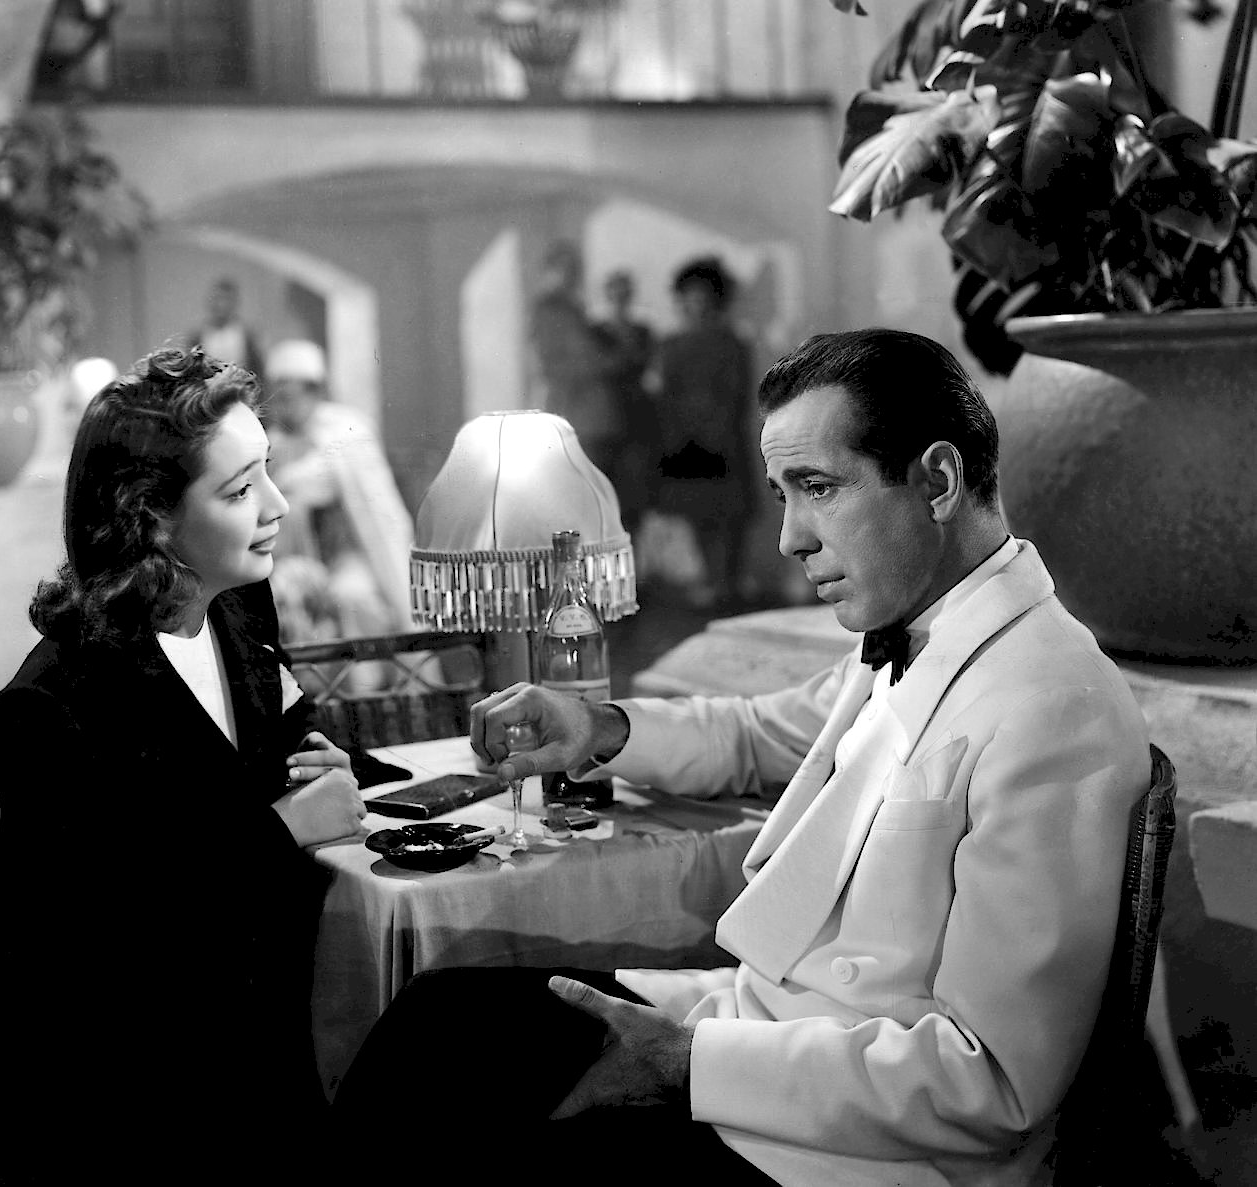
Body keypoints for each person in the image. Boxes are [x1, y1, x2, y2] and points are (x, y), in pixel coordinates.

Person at [333, 328, 1150, 1186]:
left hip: (849, 1149)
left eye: (818, 488)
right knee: (440, 1016)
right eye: (782, 494)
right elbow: (761, 733)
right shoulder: (922, 630)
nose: (790, 538)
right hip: (756, 1033)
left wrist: (689, 1063)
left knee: (476, 1144)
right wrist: (597, 726)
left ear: (938, 481)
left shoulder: (1052, 705)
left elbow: (991, 1081)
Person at [0, 344, 365, 1183]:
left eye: (267, 472)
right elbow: (109, 930)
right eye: (239, 491)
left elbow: (273, 735)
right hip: (63, 1059)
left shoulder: (235, 602)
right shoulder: (53, 704)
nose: (276, 506)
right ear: (152, 519)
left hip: (207, 1005)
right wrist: (281, 829)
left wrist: (325, 761)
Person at [263, 338, 413, 643]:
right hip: (302, 557)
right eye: (277, 398)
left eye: (289, 397)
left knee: (351, 595)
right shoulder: (276, 441)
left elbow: (319, 481)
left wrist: (290, 481)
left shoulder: (345, 430)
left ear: (314, 392)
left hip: (355, 555)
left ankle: (364, 675)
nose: (282, 408)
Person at [650, 255, 757, 607]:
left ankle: (729, 581)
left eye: (703, 297)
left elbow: (738, 393)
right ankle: (713, 580)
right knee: (698, 511)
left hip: (723, 438)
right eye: (690, 297)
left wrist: (715, 426)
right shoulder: (671, 344)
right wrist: (676, 433)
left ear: (716, 299)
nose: (696, 304)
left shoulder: (733, 343)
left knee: (730, 514)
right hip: (685, 440)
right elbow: (665, 394)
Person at [527, 240, 620, 480]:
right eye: (563, 268)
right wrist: (606, 363)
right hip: (573, 410)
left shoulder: (573, 309)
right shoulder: (550, 311)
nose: (570, 275)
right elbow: (561, 361)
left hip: (590, 413)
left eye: (573, 269)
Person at [591, 268, 657, 533]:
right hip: (606, 418)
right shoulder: (596, 332)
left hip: (636, 420)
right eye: (615, 293)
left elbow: (649, 366)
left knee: (633, 498)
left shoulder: (642, 331)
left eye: (624, 293)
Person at [186, 275, 265, 380]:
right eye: (217, 299)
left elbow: (258, 369)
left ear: (234, 303)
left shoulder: (246, 335)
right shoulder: (198, 336)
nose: (221, 305)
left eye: (226, 299)